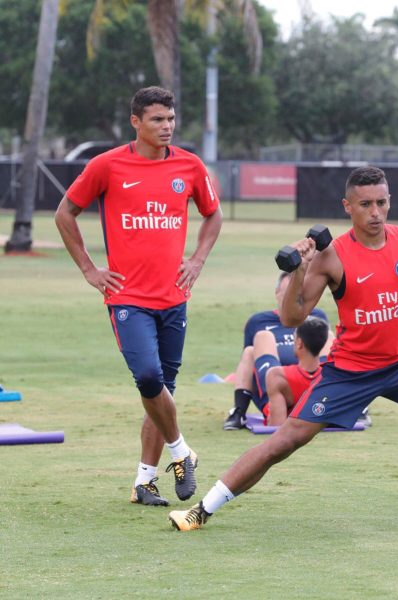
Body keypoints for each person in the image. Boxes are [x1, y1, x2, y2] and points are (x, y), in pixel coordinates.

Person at [168, 165, 398, 532]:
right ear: (348, 206)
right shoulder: (332, 256)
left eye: (381, 202)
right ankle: (200, 511)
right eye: (365, 204)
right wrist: (300, 269)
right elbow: (292, 318)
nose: (375, 212)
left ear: (390, 202)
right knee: (284, 441)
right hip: (351, 370)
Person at [55, 86, 222, 507]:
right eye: (156, 120)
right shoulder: (107, 165)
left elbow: (213, 213)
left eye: (170, 119)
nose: (166, 127)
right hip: (127, 298)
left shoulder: (189, 165)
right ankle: (182, 452)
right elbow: (65, 213)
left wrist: (198, 260)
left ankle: (145, 482)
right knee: (148, 378)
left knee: (162, 389)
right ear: (136, 122)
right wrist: (91, 269)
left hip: (174, 297)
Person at [222, 271, 331, 430]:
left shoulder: (315, 317)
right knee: (252, 349)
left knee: (329, 336)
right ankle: (239, 412)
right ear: (277, 293)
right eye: (288, 292)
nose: (292, 298)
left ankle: (353, 403)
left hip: (313, 383)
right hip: (279, 387)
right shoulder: (259, 321)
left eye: (297, 293)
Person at [253, 316, 331, 426]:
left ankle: (238, 412)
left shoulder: (277, 376)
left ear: (299, 343)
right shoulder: (335, 376)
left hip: (284, 397)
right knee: (329, 333)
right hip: (321, 395)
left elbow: (276, 426)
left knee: (262, 338)